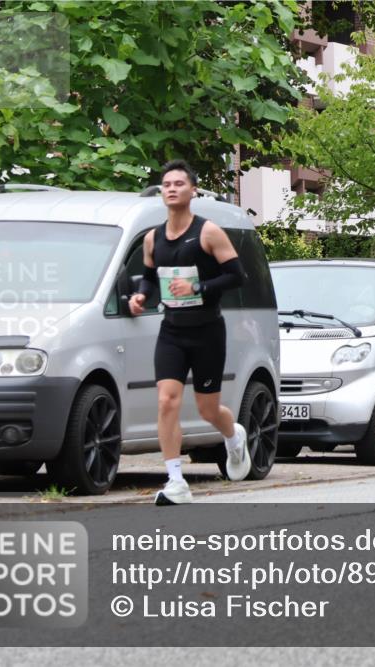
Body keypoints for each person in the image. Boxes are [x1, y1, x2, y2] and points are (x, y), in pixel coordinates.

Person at [129, 159, 251, 505]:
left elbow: (237, 276)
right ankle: (176, 481)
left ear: (192, 190)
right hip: (172, 331)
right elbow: (150, 278)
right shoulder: (153, 238)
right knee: (167, 400)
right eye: (166, 184)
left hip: (208, 331)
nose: (171, 188)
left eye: (179, 184)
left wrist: (197, 288)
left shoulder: (208, 231)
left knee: (208, 410)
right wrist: (141, 296)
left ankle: (233, 436)